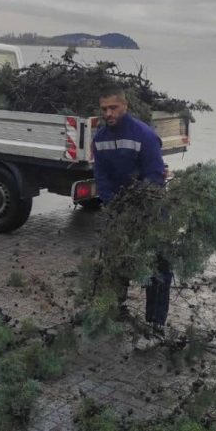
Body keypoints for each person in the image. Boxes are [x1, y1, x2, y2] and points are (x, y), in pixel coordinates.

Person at [92, 85, 169, 329]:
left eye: (113, 107)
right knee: (116, 259)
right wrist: (112, 205)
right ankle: (115, 307)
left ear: (125, 106)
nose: (109, 113)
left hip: (151, 211)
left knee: (156, 266)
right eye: (104, 109)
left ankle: (156, 324)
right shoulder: (100, 139)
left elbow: (154, 178)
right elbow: (101, 176)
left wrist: (139, 210)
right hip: (119, 209)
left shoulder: (144, 135)